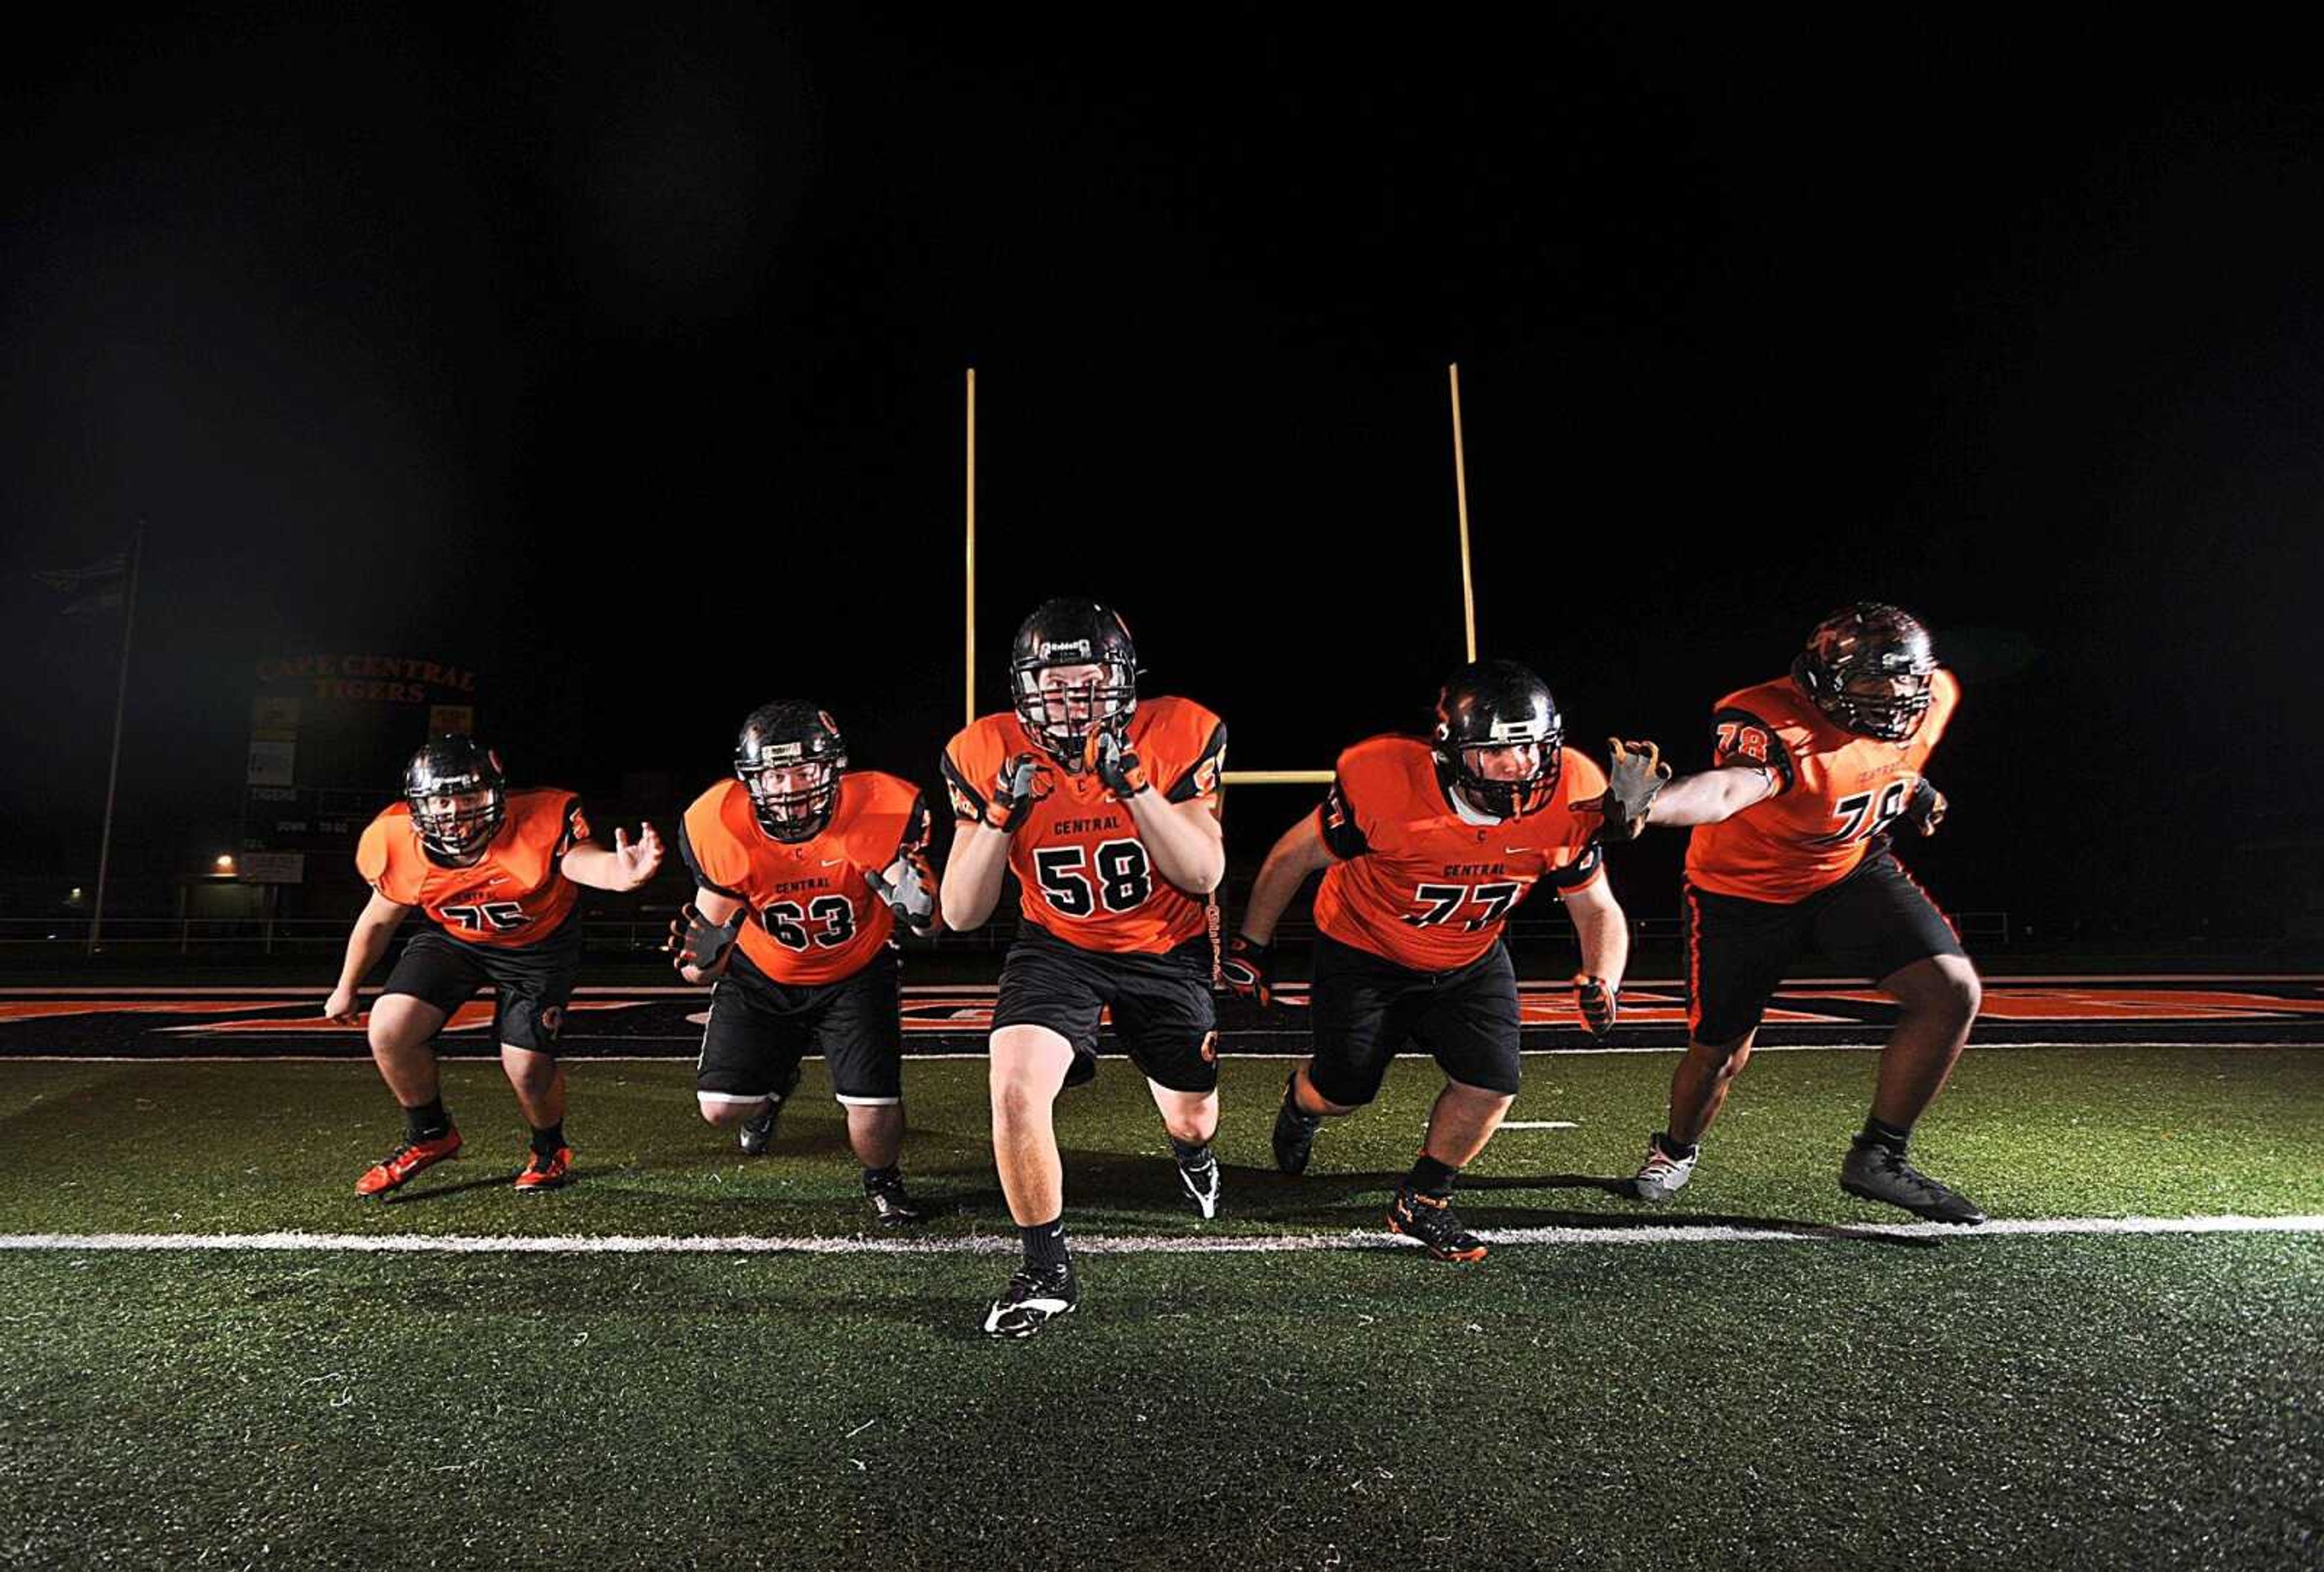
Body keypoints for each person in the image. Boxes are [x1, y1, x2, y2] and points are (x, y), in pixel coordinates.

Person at [1223, 659, 1630, 1263]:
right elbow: (1292, 856)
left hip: (1469, 953)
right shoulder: (1387, 780)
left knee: (1493, 1081)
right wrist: (1250, 947)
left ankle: (1424, 1200)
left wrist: (1604, 975)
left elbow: (1598, 906)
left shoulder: (1573, 787)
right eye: (1496, 751)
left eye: (1529, 747)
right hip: (1365, 949)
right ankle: (1301, 1104)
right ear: (1450, 750)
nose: (1517, 767)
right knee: (1342, 1090)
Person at [1602, 602, 1984, 1224]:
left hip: (1847, 870)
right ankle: (1674, 1148)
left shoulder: (1934, 693)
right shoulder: (1773, 719)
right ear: (1824, 682)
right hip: (1741, 893)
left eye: (1903, 681)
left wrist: (1916, 790)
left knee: (1951, 991)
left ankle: (1880, 1156)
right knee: (1720, 1050)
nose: (1894, 697)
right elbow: (1730, 787)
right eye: (1873, 682)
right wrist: (1649, 806)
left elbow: (1880, 762)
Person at [939, 597, 1227, 1338]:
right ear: (1024, 688)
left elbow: (1201, 872)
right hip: (1057, 945)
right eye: (1052, 684)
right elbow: (962, 912)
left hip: (1165, 945)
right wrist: (1000, 816)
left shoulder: (1179, 731)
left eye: (1088, 682)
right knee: (1013, 1086)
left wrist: (1135, 788)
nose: (1071, 701)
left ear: (1122, 682)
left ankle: (1193, 1156)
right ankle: (1045, 1267)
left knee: (1192, 1116)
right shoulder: (985, 750)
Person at [326, 735, 661, 1195]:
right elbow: (378, 921)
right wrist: (347, 984)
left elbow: (582, 863)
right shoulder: (395, 840)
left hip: (537, 945)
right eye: (442, 799)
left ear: (496, 796)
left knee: (525, 1065)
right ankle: (431, 1134)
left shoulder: (540, 819)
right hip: (455, 940)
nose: (454, 812)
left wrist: (622, 874)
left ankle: (549, 1148)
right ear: (418, 805)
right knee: (388, 1027)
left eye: (467, 797)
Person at [667, 702, 938, 1226]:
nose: (788, 787)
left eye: (802, 770)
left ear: (833, 769)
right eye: (773, 773)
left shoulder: (882, 808)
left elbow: (931, 921)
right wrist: (702, 959)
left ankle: (882, 1179)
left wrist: (921, 908)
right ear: (750, 780)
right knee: (720, 1108)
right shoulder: (719, 825)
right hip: (763, 970)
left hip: (855, 971)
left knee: (874, 1112)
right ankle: (770, 1093)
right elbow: (699, 970)